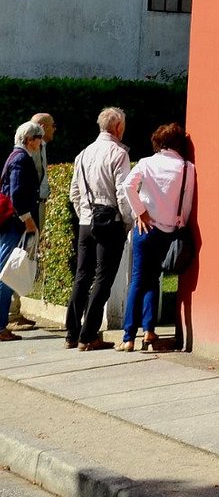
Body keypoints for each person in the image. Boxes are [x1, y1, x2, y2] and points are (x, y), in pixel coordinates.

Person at [118, 123, 194, 353]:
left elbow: (128, 186)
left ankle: (128, 337)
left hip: (145, 228)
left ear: (159, 143)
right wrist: (180, 223)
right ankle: (149, 331)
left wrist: (140, 212)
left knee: (138, 280)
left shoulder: (146, 162)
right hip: (168, 231)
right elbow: (187, 203)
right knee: (154, 280)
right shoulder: (187, 168)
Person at [65, 108, 132, 351]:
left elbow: (74, 192)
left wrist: (84, 213)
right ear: (118, 127)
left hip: (86, 221)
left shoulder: (83, 154)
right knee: (103, 278)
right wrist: (127, 221)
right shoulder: (119, 153)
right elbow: (123, 193)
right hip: (110, 221)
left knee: (82, 276)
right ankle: (88, 335)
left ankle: (72, 333)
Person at [0, 123, 45, 342]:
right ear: (29, 139)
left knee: (6, 270)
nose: (41, 143)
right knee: (7, 274)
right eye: (39, 138)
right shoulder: (21, 159)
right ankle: (0, 327)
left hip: (10, 223)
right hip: (15, 224)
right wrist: (28, 220)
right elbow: (17, 194)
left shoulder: (15, 156)